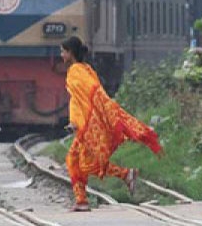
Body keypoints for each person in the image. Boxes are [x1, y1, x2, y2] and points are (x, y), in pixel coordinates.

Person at [61, 36, 162, 212]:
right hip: (85, 125)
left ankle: (119, 177)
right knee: (75, 160)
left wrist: (86, 120)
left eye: (63, 51)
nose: (61, 55)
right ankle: (83, 199)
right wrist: (74, 121)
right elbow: (79, 100)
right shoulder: (86, 69)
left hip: (89, 126)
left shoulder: (76, 71)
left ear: (70, 53)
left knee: (84, 163)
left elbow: (91, 94)